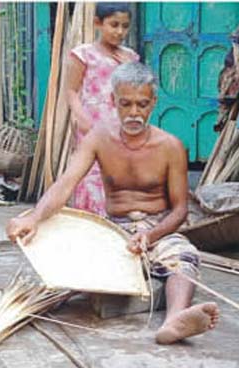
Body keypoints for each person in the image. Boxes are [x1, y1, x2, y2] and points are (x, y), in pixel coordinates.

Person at [7, 62, 219, 344]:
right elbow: (65, 184)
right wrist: (33, 218)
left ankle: (175, 319)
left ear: (153, 102)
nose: (134, 113)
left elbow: (180, 210)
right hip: (114, 228)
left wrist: (151, 235)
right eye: (126, 104)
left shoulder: (170, 146)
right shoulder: (99, 138)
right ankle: (42, 301)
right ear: (113, 101)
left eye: (142, 105)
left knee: (182, 257)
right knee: (68, 254)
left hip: (158, 228)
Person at [64, 2, 139, 216]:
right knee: (92, 177)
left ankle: (119, 227)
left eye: (125, 26)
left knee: (121, 176)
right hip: (92, 127)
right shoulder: (82, 55)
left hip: (122, 128)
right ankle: (91, 224)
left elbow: (137, 91)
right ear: (98, 23)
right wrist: (83, 121)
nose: (119, 31)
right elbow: (71, 91)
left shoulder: (130, 57)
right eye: (114, 25)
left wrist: (129, 68)